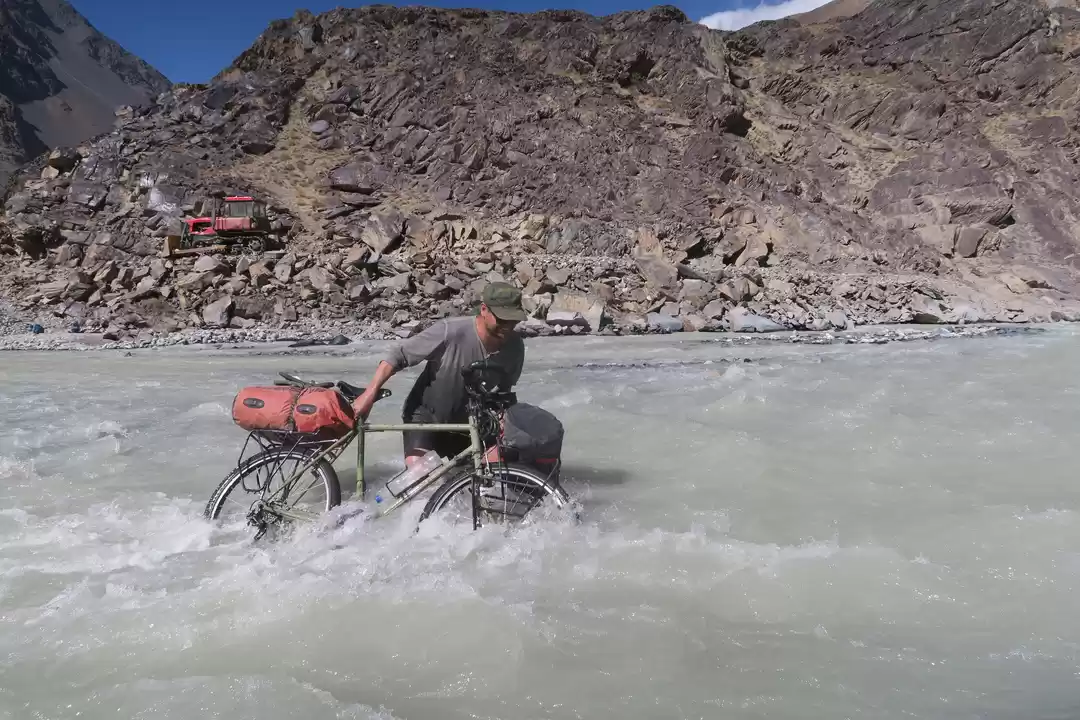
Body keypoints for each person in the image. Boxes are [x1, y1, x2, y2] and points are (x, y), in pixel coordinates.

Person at [351, 281, 527, 466]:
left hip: (472, 423)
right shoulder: (450, 331)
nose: (508, 326)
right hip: (427, 419)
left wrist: (503, 420)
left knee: (503, 466)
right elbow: (398, 355)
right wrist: (368, 394)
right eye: (502, 319)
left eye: (513, 320)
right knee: (421, 474)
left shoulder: (515, 348)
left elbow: (504, 392)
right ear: (484, 310)